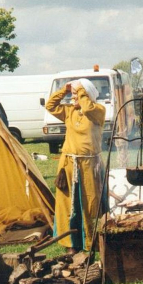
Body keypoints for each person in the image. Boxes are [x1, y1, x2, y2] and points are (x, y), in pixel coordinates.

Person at [45, 79, 106, 254]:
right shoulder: (69, 111)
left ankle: (90, 241)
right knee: (67, 204)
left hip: (89, 164)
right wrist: (64, 89)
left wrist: (80, 91)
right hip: (68, 164)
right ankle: (70, 243)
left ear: (87, 94)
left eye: (78, 94)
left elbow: (87, 108)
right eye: (74, 95)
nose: (74, 98)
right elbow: (50, 105)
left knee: (89, 203)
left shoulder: (97, 111)